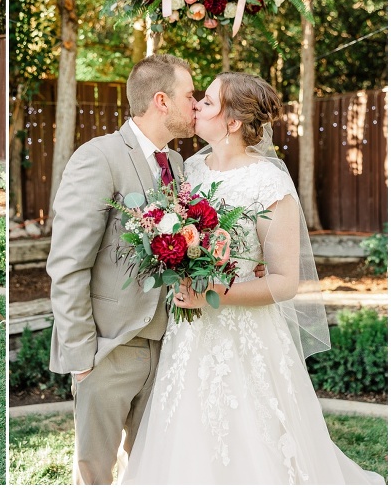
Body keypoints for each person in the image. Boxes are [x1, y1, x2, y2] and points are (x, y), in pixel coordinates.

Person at [120, 72, 384, 484]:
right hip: (188, 334)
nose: (195, 107)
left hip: (246, 334)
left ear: (232, 123)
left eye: (206, 102)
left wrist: (218, 293)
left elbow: (283, 282)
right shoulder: (187, 169)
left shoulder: (269, 182)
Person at [46, 54, 197, 485]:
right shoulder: (99, 157)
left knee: (151, 469)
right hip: (109, 349)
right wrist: (82, 358)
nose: (196, 104)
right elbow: (68, 263)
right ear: (162, 100)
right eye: (190, 95)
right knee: (95, 473)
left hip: (167, 343)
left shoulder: (179, 166)